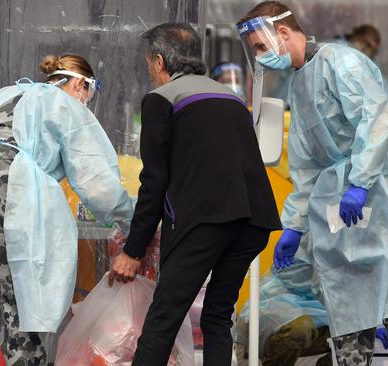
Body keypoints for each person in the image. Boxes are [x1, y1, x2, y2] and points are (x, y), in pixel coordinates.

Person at [237, 2, 388, 365]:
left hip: (383, 201)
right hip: (342, 217)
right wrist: (294, 226)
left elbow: (377, 119)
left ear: (282, 32)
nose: (260, 58)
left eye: (261, 47)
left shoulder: (339, 63)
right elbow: (306, 165)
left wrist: (359, 182)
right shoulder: (300, 85)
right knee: (346, 308)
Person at [0, 53, 134, 364]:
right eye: (88, 96)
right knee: (23, 319)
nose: (85, 103)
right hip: (5, 200)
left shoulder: (5, 94)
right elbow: (96, 183)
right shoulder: (65, 105)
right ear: (81, 84)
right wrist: (133, 219)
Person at [109, 23, 281, 365]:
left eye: (148, 65)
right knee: (218, 315)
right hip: (254, 222)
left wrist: (133, 249)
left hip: (204, 221)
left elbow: (154, 181)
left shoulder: (161, 100)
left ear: (159, 62)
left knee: (164, 318)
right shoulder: (230, 98)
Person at [336, 24, 388, 121]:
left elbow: (384, 90)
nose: (371, 53)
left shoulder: (366, 60)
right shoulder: (342, 53)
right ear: (359, 40)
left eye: (374, 51)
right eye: (369, 47)